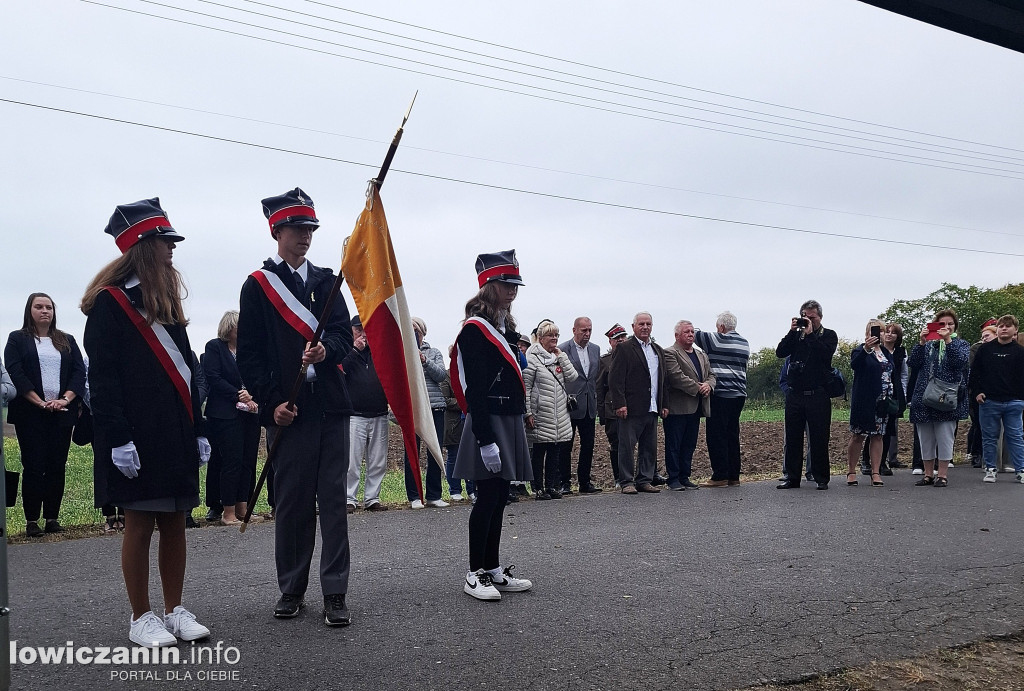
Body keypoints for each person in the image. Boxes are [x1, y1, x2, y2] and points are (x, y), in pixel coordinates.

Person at [81, 197, 210, 647]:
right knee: (139, 525)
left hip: (174, 429)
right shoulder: (109, 305)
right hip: (135, 434)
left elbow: (188, 368)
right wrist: (117, 437)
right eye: (164, 241)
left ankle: (174, 610)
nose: (172, 249)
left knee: (176, 520)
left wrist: (200, 428)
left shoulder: (167, 300)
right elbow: (104, 378)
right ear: (142, 245)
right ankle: (141, 617)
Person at [237, 187, 354, 626]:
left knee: (334, 503)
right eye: (297, 228)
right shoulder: (258, 287)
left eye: (310, 229)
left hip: (329, 406)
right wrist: (270, 407)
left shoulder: (327, 282)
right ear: (277, 231)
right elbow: (249, 356)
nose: (306, 236)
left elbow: (344, 336)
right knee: (291, 503)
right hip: (289, 411)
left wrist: (327, 352)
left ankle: (336, 591)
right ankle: (291, 588)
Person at [451, 249, 534, 601]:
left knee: (500, 496)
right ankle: (474, 573)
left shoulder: (507, 328)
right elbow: (477, 389)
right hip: (489, 421)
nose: (512, 290)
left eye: (515, 283)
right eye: (505, 283)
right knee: (486, 497)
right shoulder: (475, 330)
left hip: (508, 418)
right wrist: (485, 439)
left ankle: (493, 568)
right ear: (488, 285)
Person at [4, 293, 87, 537]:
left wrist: (65, 400)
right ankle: (32, 521)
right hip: (30, 414)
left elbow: (78, 373)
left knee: (56, 465)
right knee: (33, 465)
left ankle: (52, 517)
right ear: (29, 310)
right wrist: (39, 402)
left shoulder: (66, 340)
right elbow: (16, 372)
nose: (44, 311)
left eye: (48, 307)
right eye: (38, 307)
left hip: (61, 413)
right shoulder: (17, 339)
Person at [202, 311, 260, 526]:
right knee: (231, 461)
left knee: (247, 461)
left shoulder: (248, 350)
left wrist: (251, 394)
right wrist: (237, 393)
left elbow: (257, 374)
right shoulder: (214, 347)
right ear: (230, 328)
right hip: (225, 414)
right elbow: (213, 377)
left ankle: (243, 509)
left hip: (250, 411)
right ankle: (227, 513)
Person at [776, 300, 838, 490]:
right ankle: (792, 477)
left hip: (818, 394)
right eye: (806, 317)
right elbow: (781, 352)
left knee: (819, 438)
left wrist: (811, 335)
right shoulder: (797, 336)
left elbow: (825, 355)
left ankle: (821, 478)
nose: (809, 321)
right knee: (793, 438)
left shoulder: (828, 335)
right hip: (795, 394)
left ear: (820, 317)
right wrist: (792, 332)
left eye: (813, 317)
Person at [907, 309, 969, 487]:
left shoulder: (961, 344)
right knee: (925, 438)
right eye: (943, 324)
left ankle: (942, 475)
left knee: (944, 436)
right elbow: (913, 363)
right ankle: (928, 474)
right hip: (924, 396)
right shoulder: (928, 345)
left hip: (946, 397)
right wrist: (921, 342)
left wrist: (948, 341)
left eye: (950, 324)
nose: (947, 327)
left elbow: (959, 362)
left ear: (955, 326)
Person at [609, 312, 665, 495]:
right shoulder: (625, 348)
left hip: (652, 406)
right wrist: (620, 403)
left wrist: (663, 403)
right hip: (631, 407)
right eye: (641, 324)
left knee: (649, 446)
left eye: (648, 324)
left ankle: (644, 480)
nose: (645, 327)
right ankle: (626, 481)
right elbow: (615, 379)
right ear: (633, 327)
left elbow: (663, 379)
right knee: (626, 446)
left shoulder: (657, 350)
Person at [694, 311, 750, 488]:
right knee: (732, 434)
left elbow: (694, 333)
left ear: (721, 327)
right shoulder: (744, 342)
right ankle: (734, 476)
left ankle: (720, 475)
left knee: (716, 435)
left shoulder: (717, 339)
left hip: (721, 394)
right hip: (739, 394)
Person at [524, 320, 579, 500]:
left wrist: (561, 356)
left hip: (559, 412)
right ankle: (538, 488)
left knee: (555, 450)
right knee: (539, 452)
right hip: (541, 411)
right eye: (550, 335)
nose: (554, 338)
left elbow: (572, 377)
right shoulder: (532, 359)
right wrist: (528, 412)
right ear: (540, 338)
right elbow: (527, 388)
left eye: (556, 335)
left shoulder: (557, 358)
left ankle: (552, 486)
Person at [970, 314, 1024, 483]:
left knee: (1015, 436)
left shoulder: (1020, 352)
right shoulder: (985, 350)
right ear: (997, 329)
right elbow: (974, 374)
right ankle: (991, 469)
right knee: (989, 437)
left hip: (1014, 402)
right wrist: (977, 392)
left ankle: (1021, 469)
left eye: (1008, 326)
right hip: (989, 401)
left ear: (1015, 330)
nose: (1004, 328)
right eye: (1001, 326)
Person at [343, 315, 389, 512]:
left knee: (378, 460)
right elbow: (341, 370)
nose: (363, 334)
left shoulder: (379, 352)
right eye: (358, 330)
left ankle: (372, 498)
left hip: (379, 413)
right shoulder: (346, 351)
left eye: (366, 330)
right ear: (351, 331)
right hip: (355, 414)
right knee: (352, 461)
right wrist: (355, 350)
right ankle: (348, 498)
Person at [662, 320, 715, 490]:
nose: (691, 334)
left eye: (692, 331)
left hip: (696, 407)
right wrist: (699, 388)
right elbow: (676, 376)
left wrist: (709, 385)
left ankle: (685, 476)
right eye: (686, 332)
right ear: (677, 335)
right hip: (678, 408)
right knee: (674, 445)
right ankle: (673, 478)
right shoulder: (670, 353)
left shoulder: (701, 354)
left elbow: (711, 374)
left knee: (689, 444)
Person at [403, 317, 448, 509]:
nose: (414, 335)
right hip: (413, 409)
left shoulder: (434, 352)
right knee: (412, 453)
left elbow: (441, 376)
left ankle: (434, 495)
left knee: (434, 452)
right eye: (410, 331)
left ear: (423, 332)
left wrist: (424, 360)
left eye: (416, 332)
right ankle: (414, 496)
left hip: (435, 407)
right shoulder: (402, 352)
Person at [846, 320, 894, 488]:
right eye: (877, 331)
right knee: (858, 435)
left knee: (878, 435)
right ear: (868, 333)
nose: (880, 334)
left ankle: (875, 472)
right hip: (864, 400)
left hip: (882, 402)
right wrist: (866, 349)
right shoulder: (861, 350)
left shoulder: (886, 353)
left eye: (882, 331)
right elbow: (855, 365)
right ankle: (851, 471)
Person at [558, 317, 602, 494]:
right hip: (569, 405)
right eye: (584, 330)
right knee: (566, 446)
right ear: (574, 330)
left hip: (589, 405)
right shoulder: (562, 349)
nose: (587, 334)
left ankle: (584, 482)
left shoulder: (595, 349)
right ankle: (565, 483)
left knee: (588, 445)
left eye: (590, 330)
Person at [596, 324, 628, 487]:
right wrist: (602, 414)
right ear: (610, 341)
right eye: (617, 339)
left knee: (629, 444)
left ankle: (630, 476)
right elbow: (600, 388)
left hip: (631, 409)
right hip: (611, 411)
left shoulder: (633, 357)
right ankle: (618, 478)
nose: (621, 340)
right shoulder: (605, 361)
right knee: (616, 444)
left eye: (623, 337)